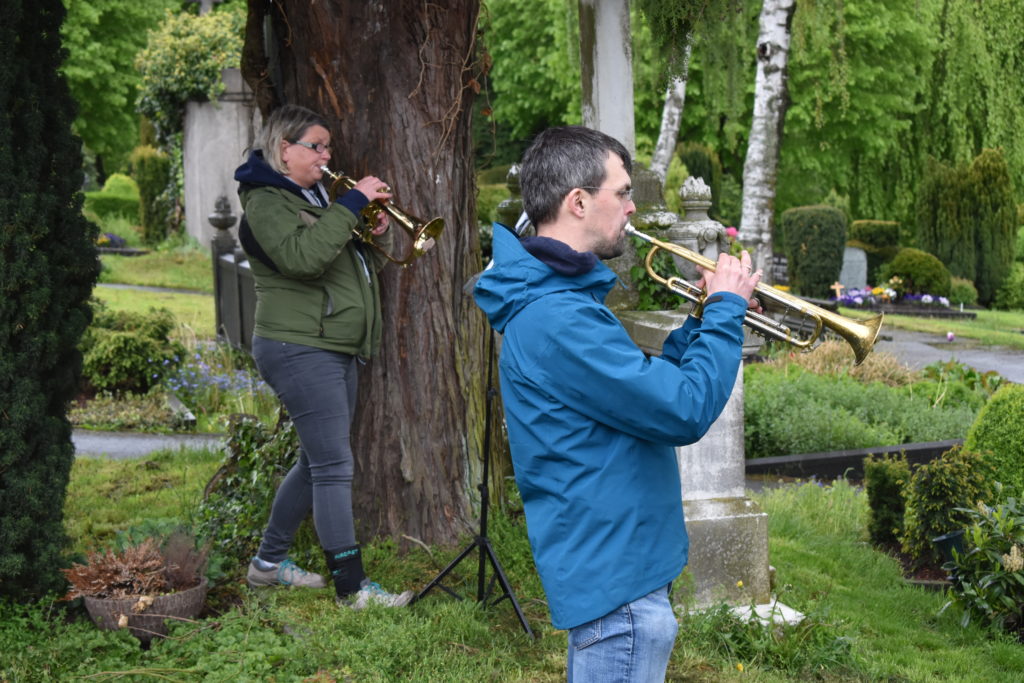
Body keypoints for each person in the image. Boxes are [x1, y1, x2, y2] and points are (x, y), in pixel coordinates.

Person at [473, 125, 762, 681]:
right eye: (623, 192)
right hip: (618, 584)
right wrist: (727, 312)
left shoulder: (561, 302)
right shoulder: (559, 319)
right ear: (578, 202)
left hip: (619, 569)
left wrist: (702, 315)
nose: (632, 208)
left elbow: (643, 393)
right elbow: (682, 410)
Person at [233, 104, 413, 609]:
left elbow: (341, 263)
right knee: (334, 465)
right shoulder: (267, 201)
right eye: (316, 145)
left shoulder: (311, 194)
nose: (326, 155)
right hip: (298, 346)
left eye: (327, 146)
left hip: (330, 343)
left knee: (316, 463)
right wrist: (352, 202)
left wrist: (371, 236)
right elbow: (303, 260)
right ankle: (352, 588)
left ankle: (267, 566)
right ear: (284, 148)